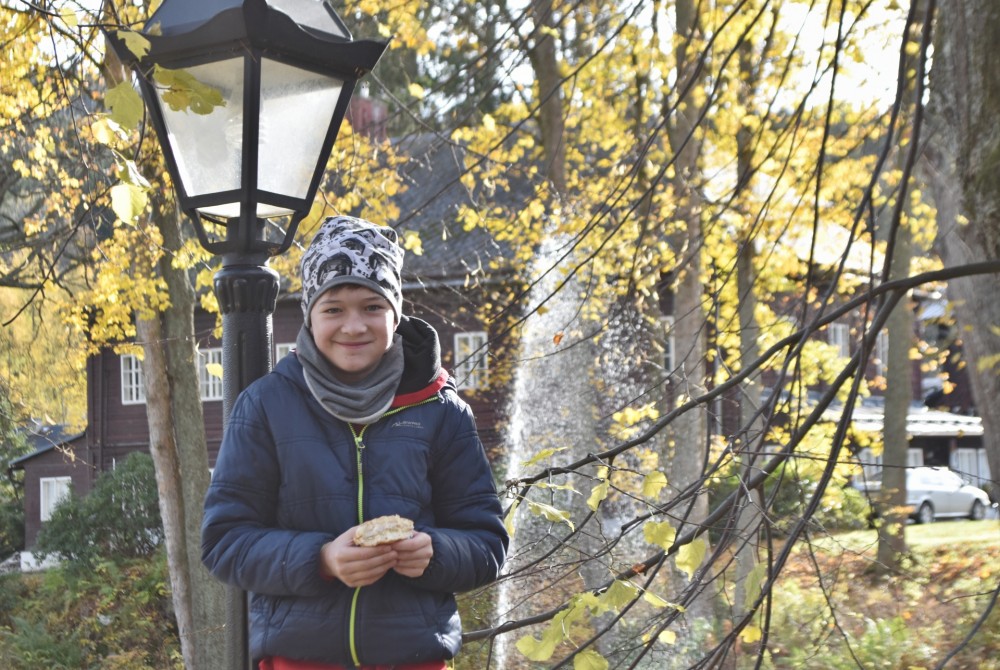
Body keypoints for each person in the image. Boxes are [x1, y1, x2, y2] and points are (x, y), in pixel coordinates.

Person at [201, 215, 509, 669]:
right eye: (333, 309)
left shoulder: (442, 411)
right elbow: (224, 542)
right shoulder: (266, 406)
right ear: (310, 315)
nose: (353, 326)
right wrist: (321, 559)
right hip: (299, 662)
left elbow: (487, 543)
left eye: (371, 306)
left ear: (395, 314)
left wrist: (435, 552)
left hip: (414, 661)